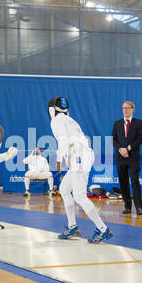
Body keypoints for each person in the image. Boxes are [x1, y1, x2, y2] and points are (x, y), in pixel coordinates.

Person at [48, 96, 113, 244]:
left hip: (79, 159)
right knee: (64, 189)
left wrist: (58, 160)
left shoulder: (57, 120)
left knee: (79, 196)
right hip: (79, 158)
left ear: (52, 109)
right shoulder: (70, 120)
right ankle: (73, 226)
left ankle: (103, 229)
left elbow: (63, 140)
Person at [112, 101, 142, 215]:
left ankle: (139, 207)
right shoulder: (117, 123)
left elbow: (140, 139)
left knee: (135, 181)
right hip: (121, 157)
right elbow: (114, 139)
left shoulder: (138, 123)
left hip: (133, 157)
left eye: (128, 108)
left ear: (133, 109)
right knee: (123, 182)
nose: (125, 110)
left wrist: (128, 149)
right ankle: (127, 206)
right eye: (124, 108)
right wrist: (121, 149)